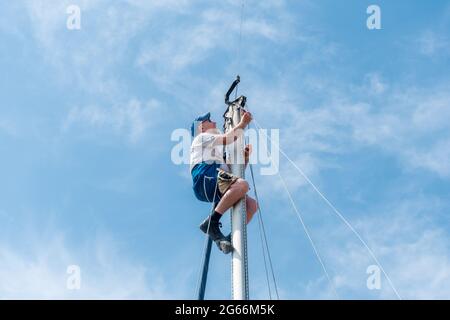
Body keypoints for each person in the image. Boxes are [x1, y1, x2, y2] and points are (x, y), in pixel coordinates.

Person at [190, 111, 258, 254]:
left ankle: (230, 238)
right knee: (243, 185)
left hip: (213, 181)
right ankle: (212, 223)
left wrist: (244, 159)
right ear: (201, 128)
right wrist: (243, 123)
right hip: (205, 178)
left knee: (251, 205)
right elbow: (228, 138)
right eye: (208, 120)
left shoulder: (217, 155)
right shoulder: (201, 138)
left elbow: (234, 176)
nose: (213, 121)